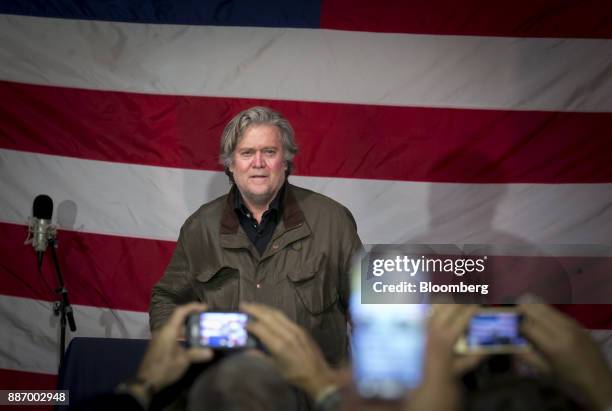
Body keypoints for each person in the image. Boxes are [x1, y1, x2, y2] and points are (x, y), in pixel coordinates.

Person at [149, 106, 363, 366]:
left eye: (269, 152)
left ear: (285, 160)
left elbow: (369, 311)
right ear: (230, 163)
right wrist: (180, 350)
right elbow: (167, 299)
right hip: (229, 395)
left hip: (312, 395)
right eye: (247, 153)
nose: (258, 163)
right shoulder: (200, 228)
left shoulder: (332, 220)